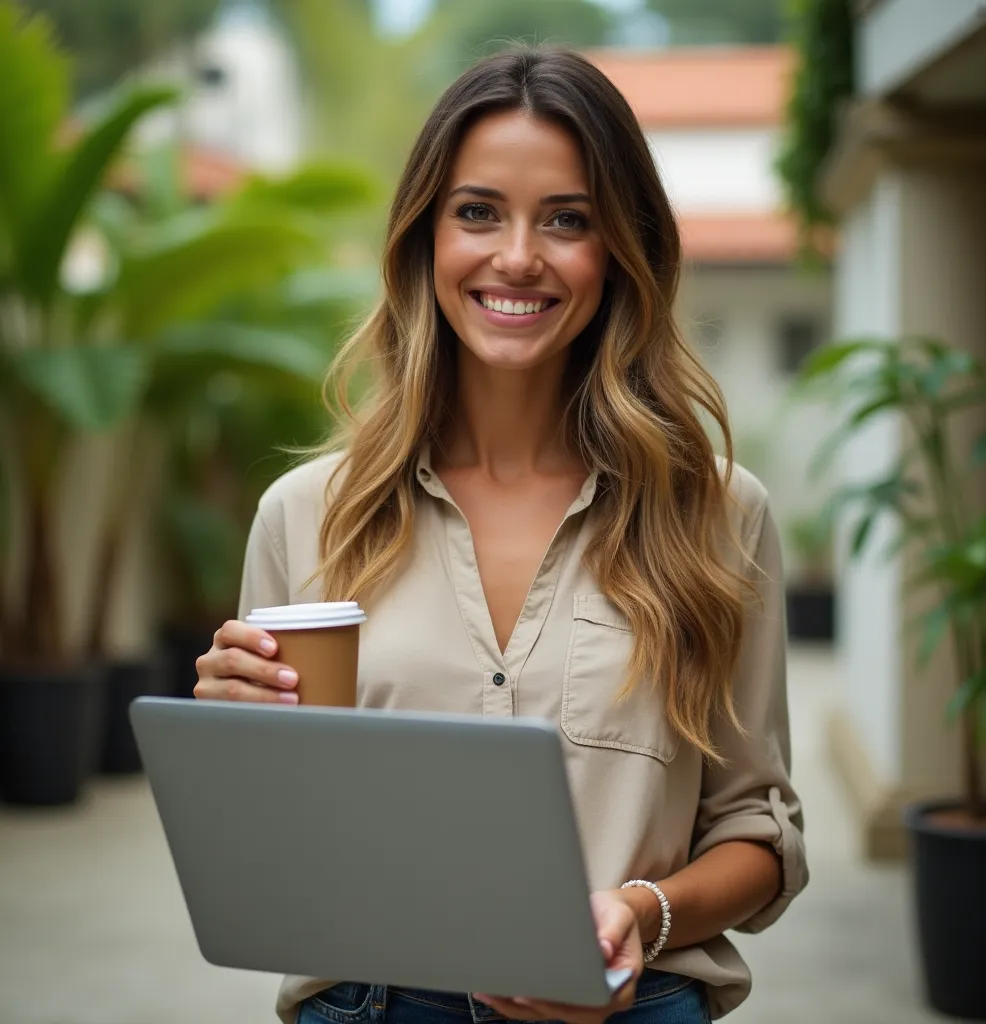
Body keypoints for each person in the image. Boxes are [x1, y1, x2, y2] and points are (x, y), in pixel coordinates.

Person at [195, 45, 807, 1024]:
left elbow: (757, 830)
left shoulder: (720, 517)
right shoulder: (303, 516)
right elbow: (279, 847)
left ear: (619, 252)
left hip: (633, 1003)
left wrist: (640, 913)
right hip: (370, 1002)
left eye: (567, 219)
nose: (517, 256)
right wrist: (230, 749)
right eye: (476, 211)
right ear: (423, 240)